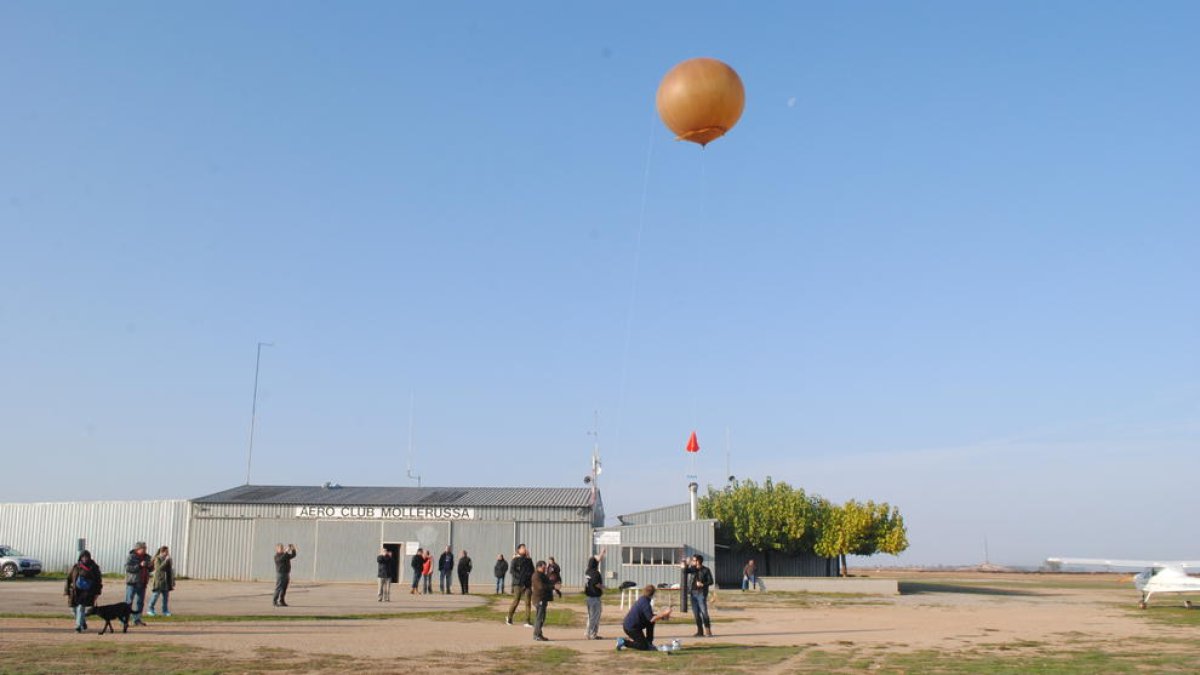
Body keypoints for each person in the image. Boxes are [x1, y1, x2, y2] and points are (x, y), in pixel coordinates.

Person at [617, 585, 671, 651]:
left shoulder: (643, 599)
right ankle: (623, 642)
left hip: (631, 625)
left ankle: (649, 643)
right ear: (653, 594)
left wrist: (663, 617)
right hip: (631, 628)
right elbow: (652, 618)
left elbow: (650, 617)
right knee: (643, 646)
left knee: (651, 622)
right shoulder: (645, 603)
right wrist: (664, 614)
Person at [65, 550, 102, 633]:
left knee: (81, 608)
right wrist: (66, 591)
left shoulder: (94, 567)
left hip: (87, 592)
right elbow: (69, 579)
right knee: (73, 609)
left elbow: (99, 581)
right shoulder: (76, 567)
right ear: (80, 558)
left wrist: (97, 592)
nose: (85, 558)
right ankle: (83, 621)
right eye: (83, 557)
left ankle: (78, 626)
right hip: (75, 591)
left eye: (86, 557)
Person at [685, 553, 714, 637]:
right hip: (693, 594)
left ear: (698, 561)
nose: (692, 562)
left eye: (694, 560)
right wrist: (686, 564)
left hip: (701, 593)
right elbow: (685, 571)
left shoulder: (706, 570)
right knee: (696, 613)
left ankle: (708, 631)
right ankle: (700, 632)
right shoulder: (692, 569)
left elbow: (711, 581)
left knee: (704, 612)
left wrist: (703, 584)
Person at [505, 544, 533, 626]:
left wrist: (528, 577)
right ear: (519, 550)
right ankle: (509, 618)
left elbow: (532, 571)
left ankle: (527, 621)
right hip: (518, 584)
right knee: (516, 601)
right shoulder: (515, 560)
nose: (525, 549)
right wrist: (521, 577)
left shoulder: (529, 560)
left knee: (528, 602)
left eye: (525, 548)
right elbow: (512, 571)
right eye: (523, 548)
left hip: (527, 584)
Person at [125, 541, 152, 625]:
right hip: (132, 582)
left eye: (145, 548)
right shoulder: (131, 556)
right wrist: (139, 565)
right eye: (143, 548)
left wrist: (150, 566)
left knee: (140, 602)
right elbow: (128, 568)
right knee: (128, 602)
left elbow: (150, 569)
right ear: (137, 549)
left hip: (143, 582)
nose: (144, 549)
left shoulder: (147, 557)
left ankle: (137, 619)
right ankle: (125, 619)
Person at [583, 549, 606, 639]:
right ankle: (592, 634)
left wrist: (601, 553)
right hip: (595, 598)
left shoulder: (587, 571)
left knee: (590, 616)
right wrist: (604, 587)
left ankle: (588, 632)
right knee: (595, 617)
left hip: (588, 597)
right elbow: (597, 584)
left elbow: (596, 560)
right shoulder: (596, 573)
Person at [146, 545, 175, 617]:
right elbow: (159, 569)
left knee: (165, 597)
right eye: (166, 552)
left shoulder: (168, 559)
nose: (168, 553)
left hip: (166, 582)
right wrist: (165, 561)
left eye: (168, 552)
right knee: (155, 595)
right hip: (159, 581)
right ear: (162, 552)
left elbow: (170, 571)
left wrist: (172, 581)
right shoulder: (157, 559)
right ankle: (150, 609)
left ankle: (165, 611)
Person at [530, 560, 554, 641]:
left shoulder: (542, 575)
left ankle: (539, 634)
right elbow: (541, 586)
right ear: (539, 567)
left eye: (546, 567)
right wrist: (551, 586)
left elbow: (548, 582)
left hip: (543, 598)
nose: (545, 569)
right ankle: (536, 634)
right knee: (539, 618)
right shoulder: (536, 575)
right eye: (544, 567)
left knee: (542, 617)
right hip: (539, 599)